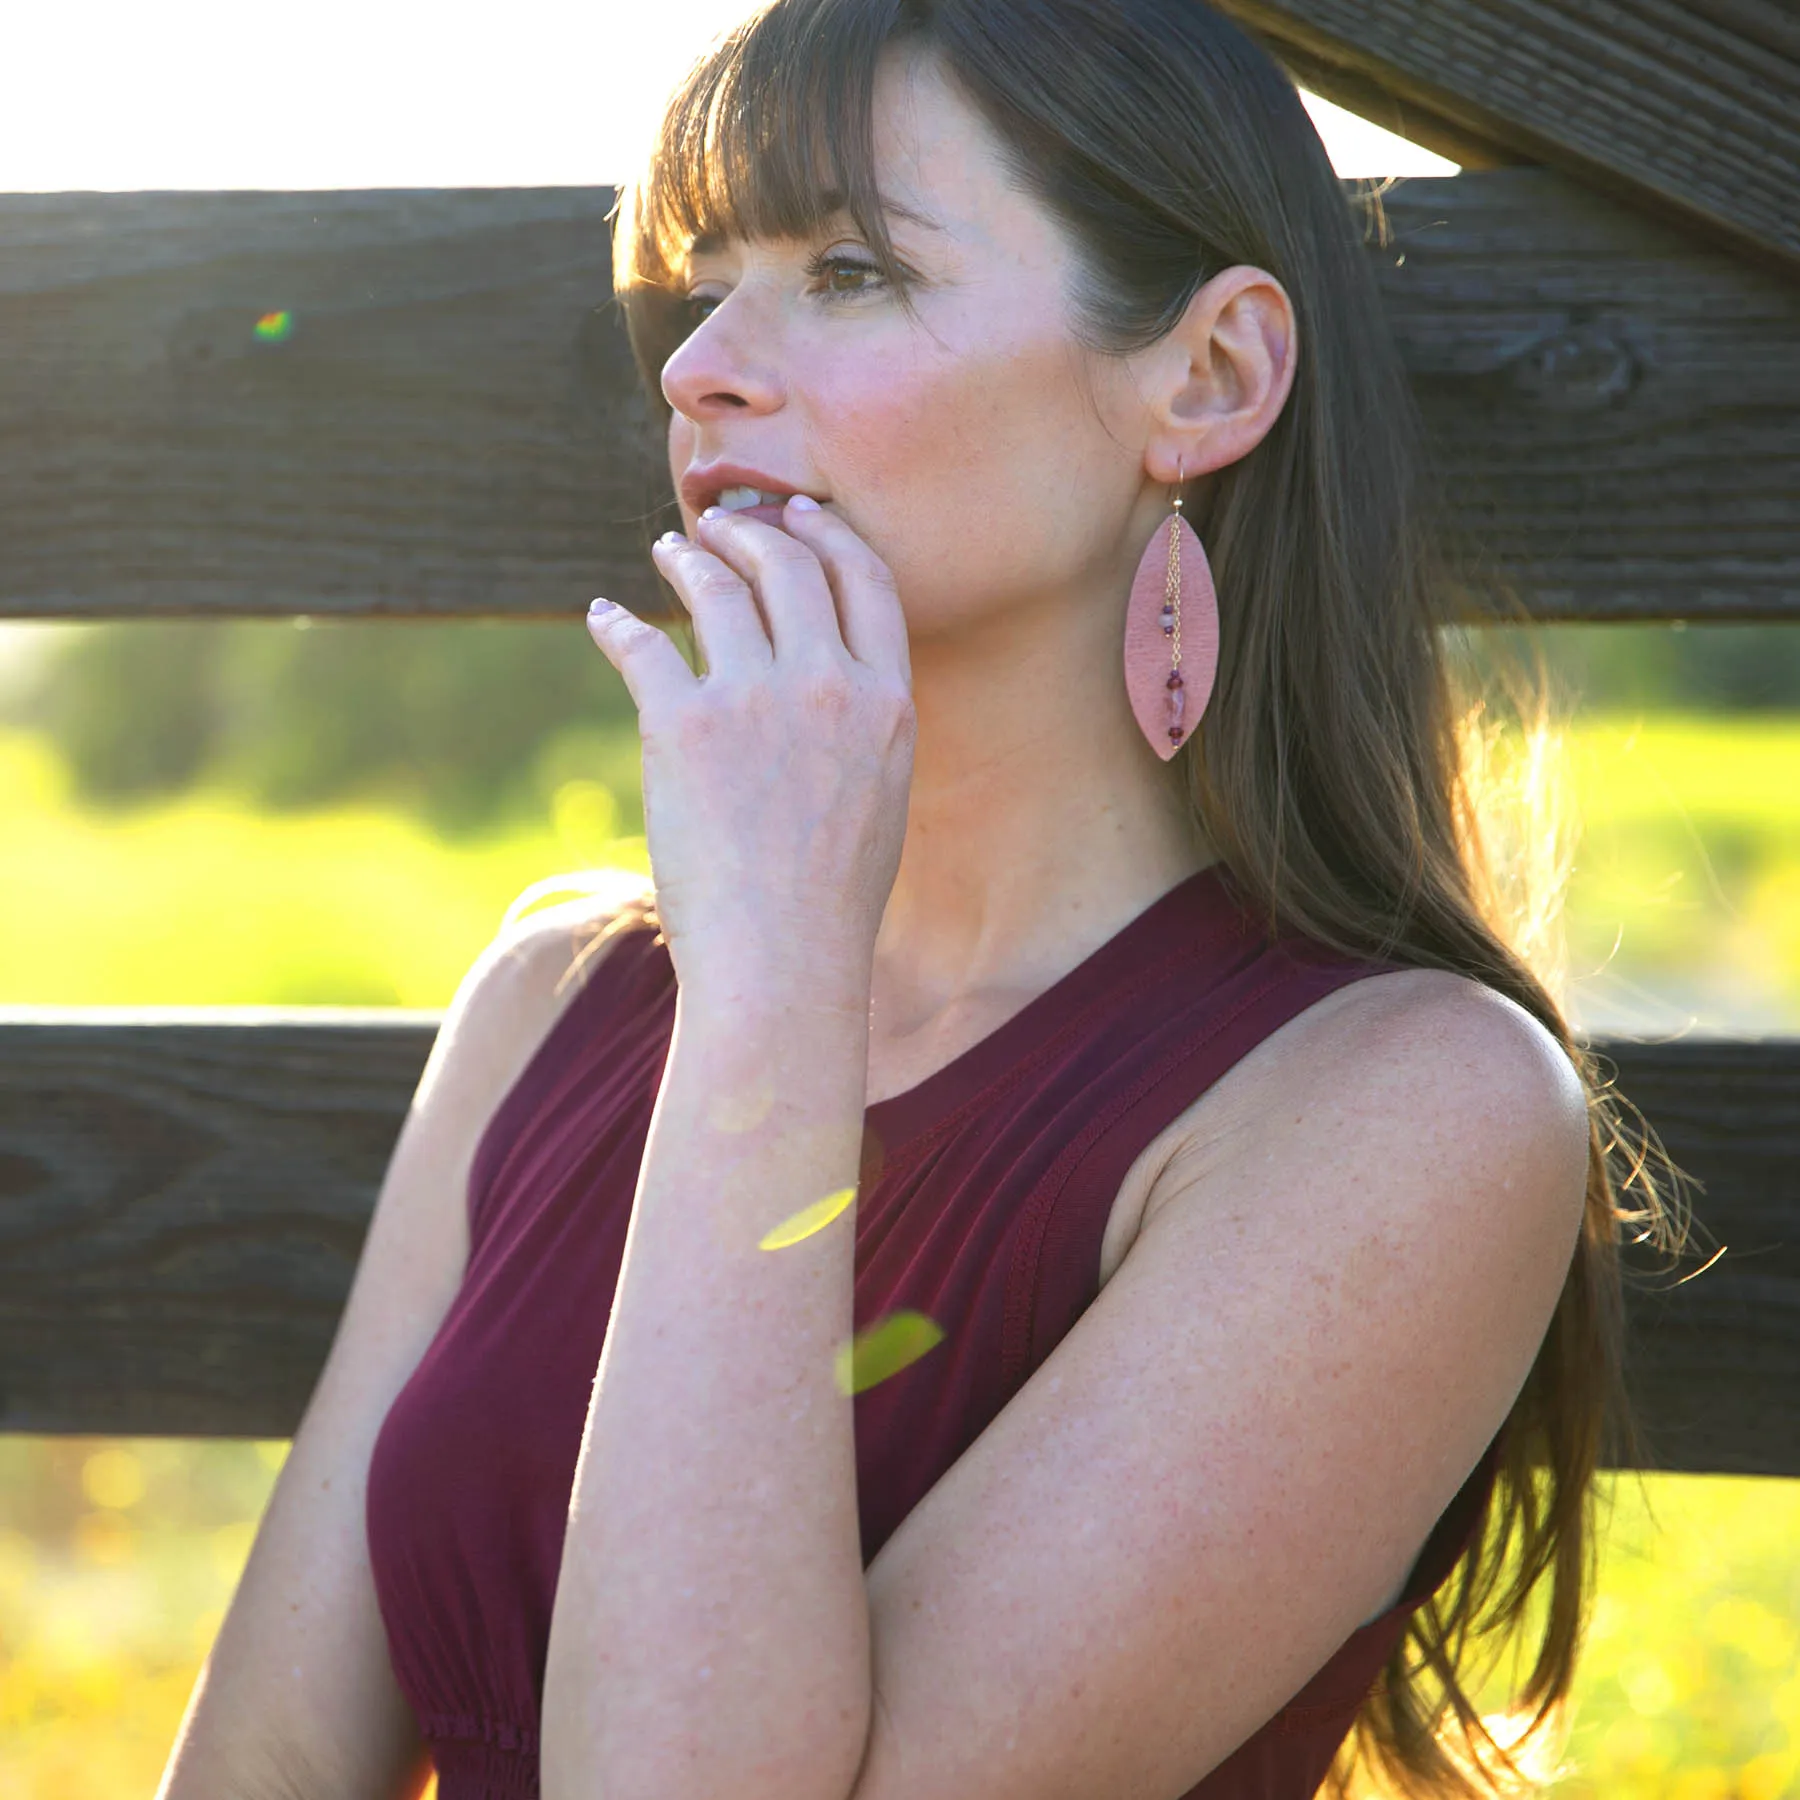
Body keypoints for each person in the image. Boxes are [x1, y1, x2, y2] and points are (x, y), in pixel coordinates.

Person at [156, 4, 1686, 1798]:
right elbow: (259, 1765)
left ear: (1205, 381)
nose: (701, 365)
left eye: (855, 269)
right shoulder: (552, 997)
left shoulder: (1411, 1115)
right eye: (705, 281)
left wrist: (777, 968)